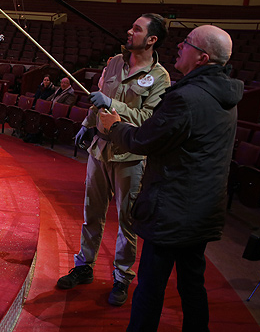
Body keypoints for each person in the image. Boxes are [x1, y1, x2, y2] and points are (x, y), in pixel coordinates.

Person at [99, 25, 243, 331]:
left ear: (202, 58)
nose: (179, 45)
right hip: (203, 210)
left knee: (150, 286)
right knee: (192, 285)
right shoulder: (225, 95)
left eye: (187, 43)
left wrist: (113, 126)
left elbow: (145, 140)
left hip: (172, 210)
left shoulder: (186, 98)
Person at [56, 13, 171, 307]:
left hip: (131, 155)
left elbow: (148, 118)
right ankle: (84, 266)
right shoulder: (114, 63)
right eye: (131, 26)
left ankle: (121, 278)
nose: (129, 31)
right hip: (100, 149)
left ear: (152, 39)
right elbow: (99, 98)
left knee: (126, 221)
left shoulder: (160, 77)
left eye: (137, 29)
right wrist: (87, 123)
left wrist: (113, 105)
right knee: (91, 213)